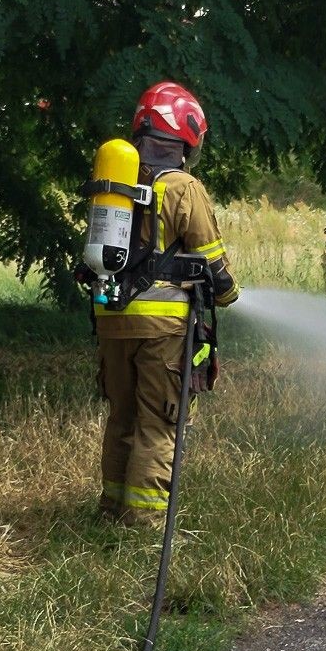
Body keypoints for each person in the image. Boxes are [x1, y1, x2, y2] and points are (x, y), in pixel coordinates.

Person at [95, 81, 240, 525]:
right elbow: (210, 258)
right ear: (184, 137)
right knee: (159, 422)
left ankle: (111, 510)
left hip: (111, 317)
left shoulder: (116, 183)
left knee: (123, 416)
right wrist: (228, 293)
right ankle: (142, 522)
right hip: (162, 326)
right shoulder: (182, 187)